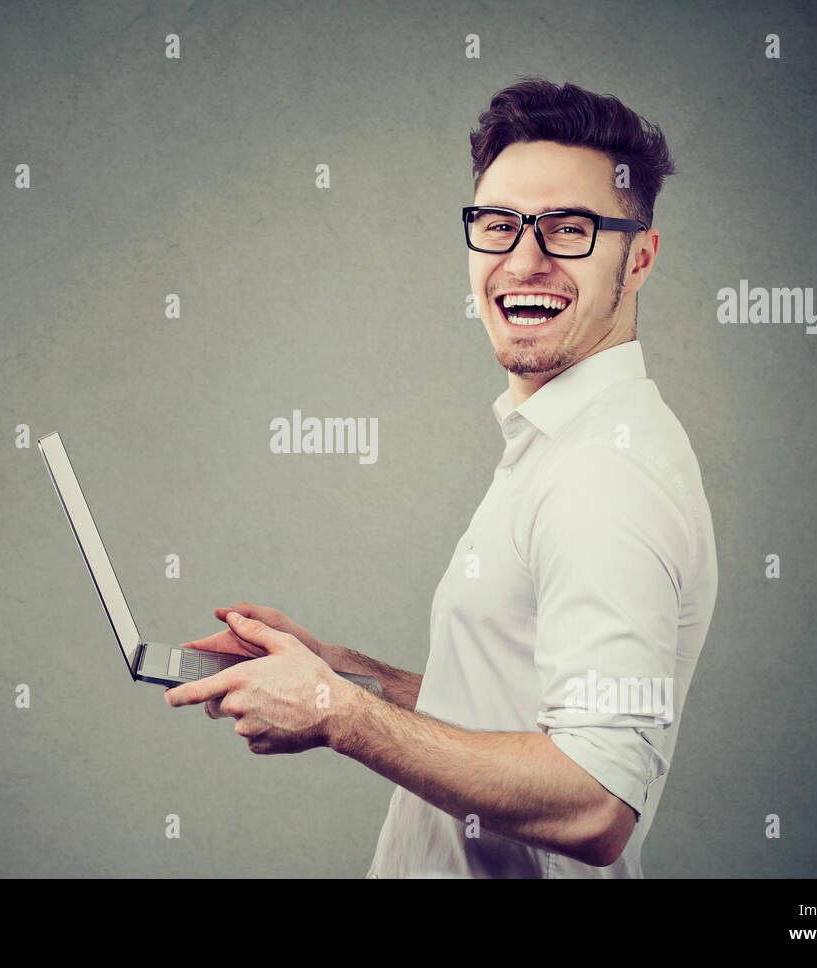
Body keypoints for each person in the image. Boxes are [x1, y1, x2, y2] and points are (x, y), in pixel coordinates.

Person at [165, 77, 719, 878]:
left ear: (638, 258)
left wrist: (337, 714)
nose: (523, 260)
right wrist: (341, 672)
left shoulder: (608, 473)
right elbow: (509, 717)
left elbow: (597, 803)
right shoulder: (562, 441)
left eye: (569, 229)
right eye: (499, 226)